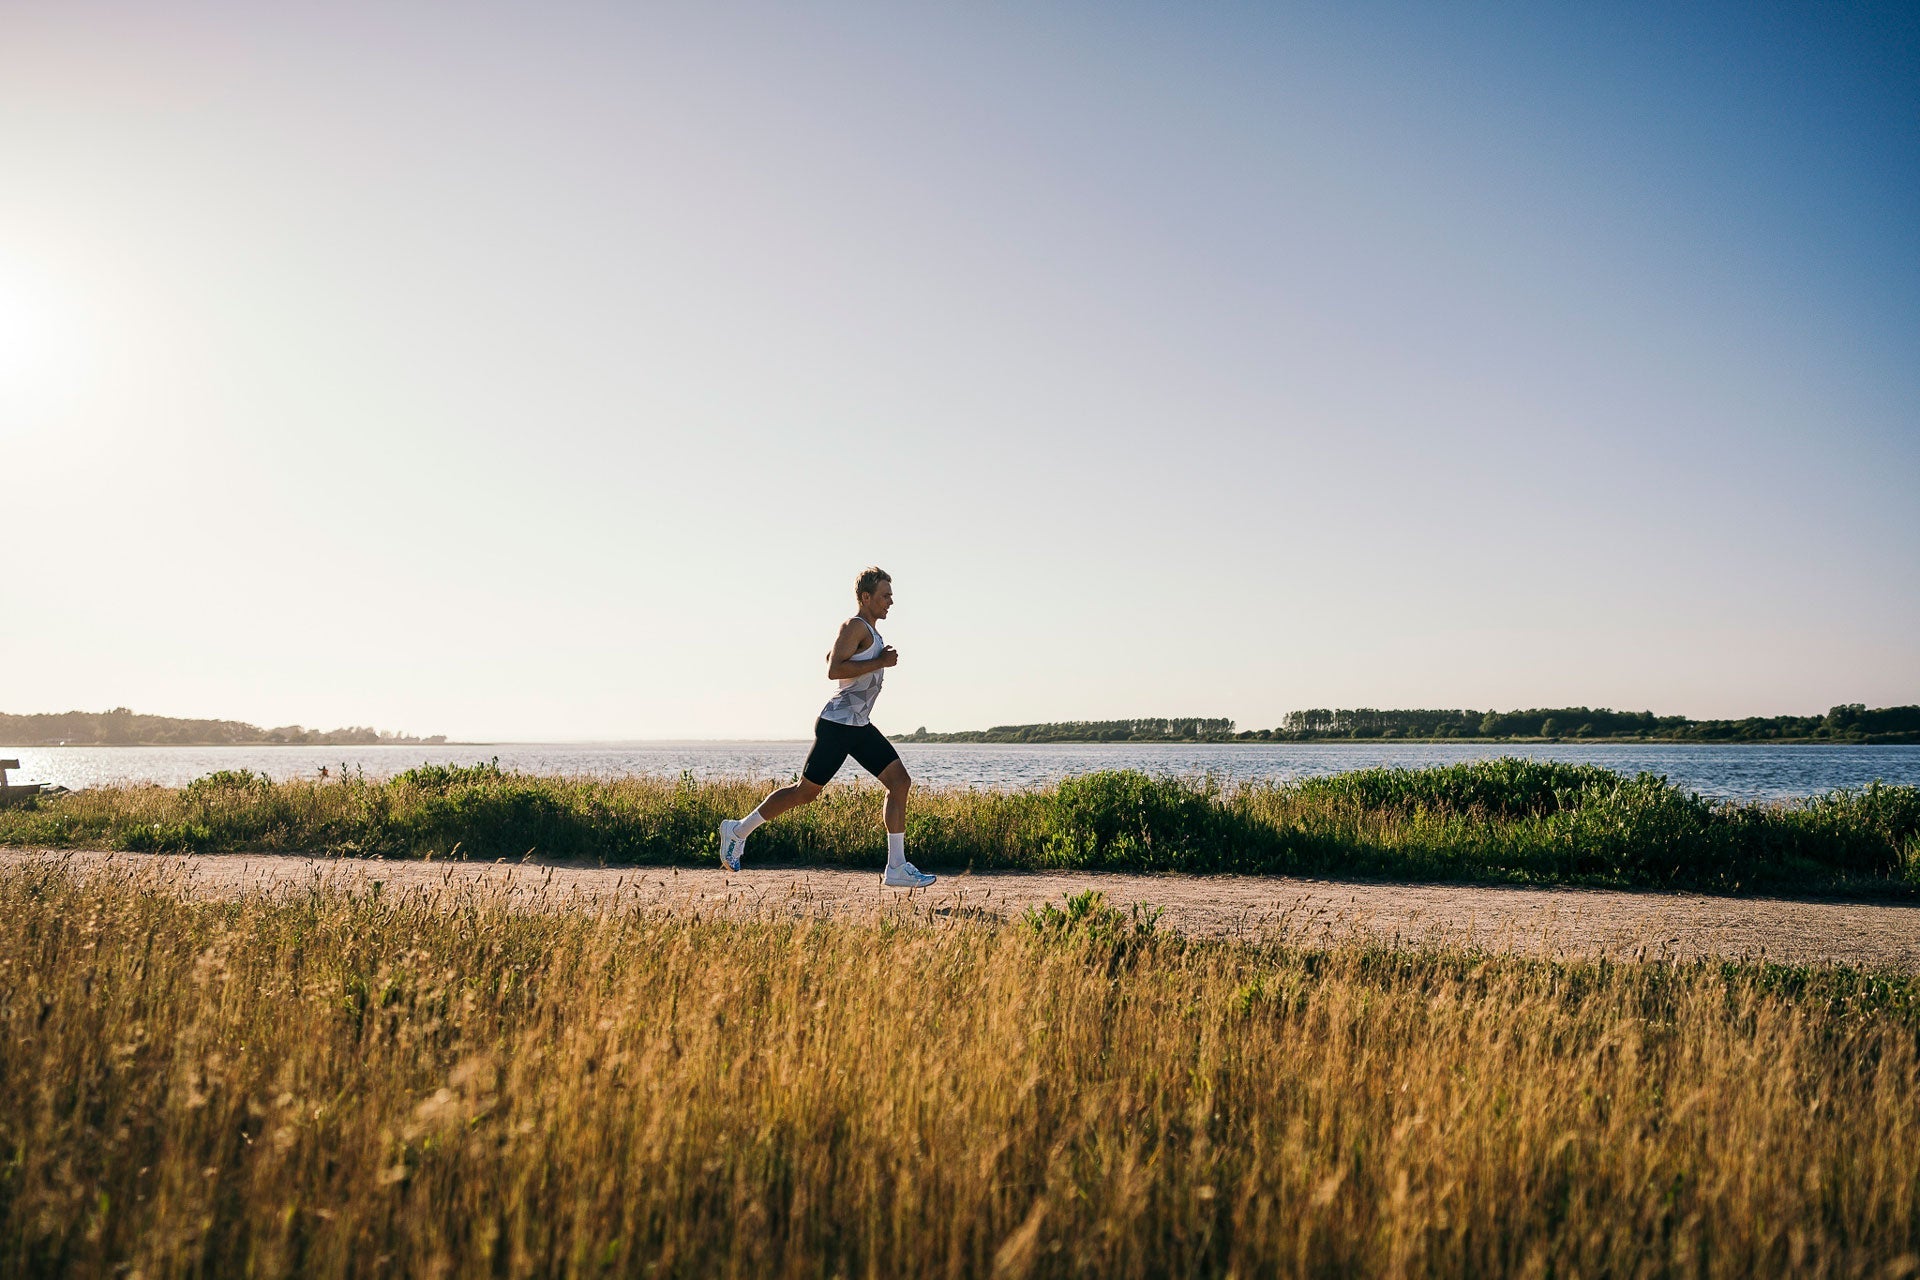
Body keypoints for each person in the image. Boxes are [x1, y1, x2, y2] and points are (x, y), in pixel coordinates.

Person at [719, 567, 934, 888]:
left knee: (899, 781)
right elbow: (834, 669)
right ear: (866, 597)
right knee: (805, 792)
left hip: (858, 725)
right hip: (838, 724)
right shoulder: (855, 625)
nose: (891, 601)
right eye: (885, 595)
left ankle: (897, 867)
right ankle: (737, 831)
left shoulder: (869, 632)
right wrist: (881, 662)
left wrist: (866, 657)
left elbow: (832, 657)